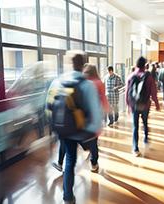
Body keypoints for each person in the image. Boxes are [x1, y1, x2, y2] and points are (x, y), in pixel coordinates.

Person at [46, 51, 102, 204]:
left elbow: (48, 106)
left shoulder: (57, 82)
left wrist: (54, 127)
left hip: (64, 129)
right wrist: (96, 130)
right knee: (90, 150)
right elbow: (95, 112)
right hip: (82, 130)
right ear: (83, 65)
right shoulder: (87, 85)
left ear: (68, 64)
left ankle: (68, 197)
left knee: (70, 160)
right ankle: (94, 162)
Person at [126, 57, 160, 157]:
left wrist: (128, 105)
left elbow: (127, 92)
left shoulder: (131, 76)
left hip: (134, 105)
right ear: (145, 65)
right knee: (145, 122)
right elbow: (153, 92)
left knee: (135, 126)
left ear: (136, 65)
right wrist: (157, 104)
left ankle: (135, 148)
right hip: (145, 104)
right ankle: (145, 139)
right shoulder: (148, 77)